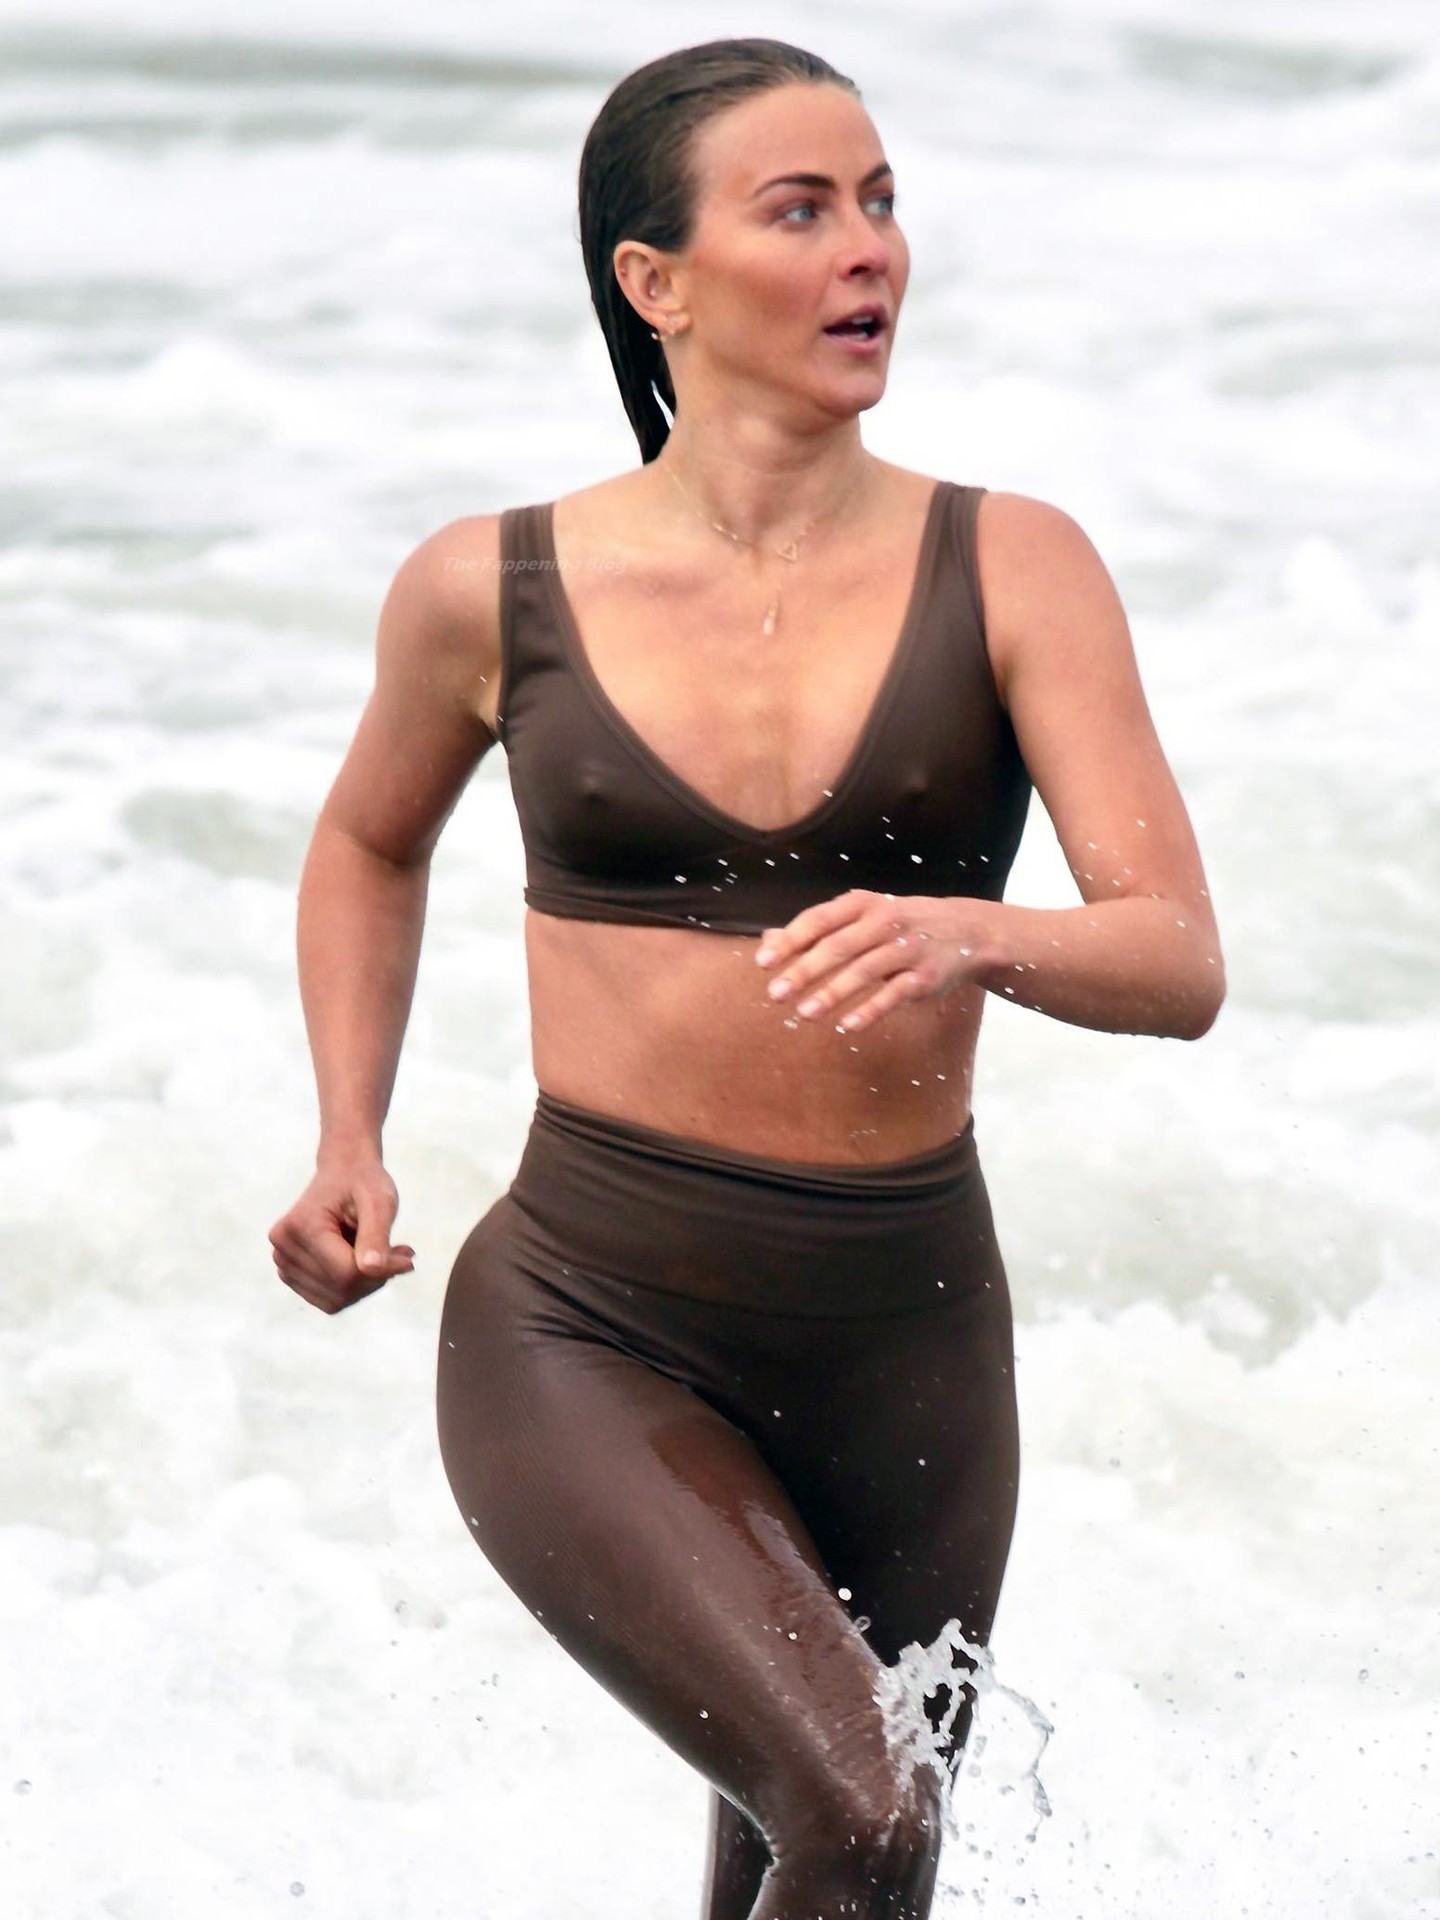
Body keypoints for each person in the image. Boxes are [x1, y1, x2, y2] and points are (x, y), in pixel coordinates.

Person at [267, 34, 1223, 1920]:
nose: (868, 249)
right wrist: (346, 1135)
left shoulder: (1014, 566)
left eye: (881, 203)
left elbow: (1174, 956)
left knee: (843, 1857)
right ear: (659, 282)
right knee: (861, 1809)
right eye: (800, 210)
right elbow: (369, 842)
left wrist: (974, 930)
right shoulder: (490, 587)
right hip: (587, 1321)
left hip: (910, 1338)